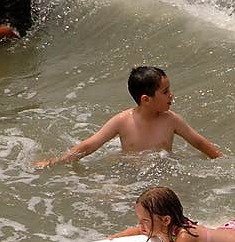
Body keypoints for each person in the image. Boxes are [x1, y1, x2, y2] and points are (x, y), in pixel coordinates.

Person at [34, 66, 221, 167]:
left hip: (163, 170)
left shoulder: (171, 120)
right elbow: (90, 145)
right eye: (165, 92)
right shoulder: (123, 121)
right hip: (130, 174)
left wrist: (222, 161)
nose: (171, 95)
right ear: (146, 99)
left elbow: (199, 142)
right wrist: (55, 162)